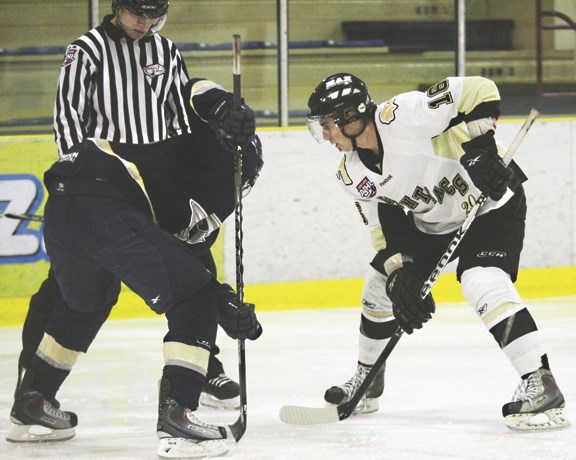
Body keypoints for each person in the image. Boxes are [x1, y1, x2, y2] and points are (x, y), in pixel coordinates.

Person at [7, 75, 263, 459]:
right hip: (107, 199)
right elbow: (196, 88)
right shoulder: (210, 169)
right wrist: (227, 106)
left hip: (66, 195)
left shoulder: (184, 154)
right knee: (194, 301)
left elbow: (180, 256)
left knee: (84, 303)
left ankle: (33, 404)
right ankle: (179, 419)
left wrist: (222, 298)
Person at [305, 73, 570, 431]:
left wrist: (481, 151)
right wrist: (401, 274)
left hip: (490, 205)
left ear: (352, 119)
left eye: (328, 125)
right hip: (432, 224)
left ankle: (540, 381)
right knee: (378, 285)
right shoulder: (351, 175)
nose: (325, 136)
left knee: (481, 281)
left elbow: (478, 90)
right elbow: (383, 232)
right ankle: (367, 381)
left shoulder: (400, 116)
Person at [17, 0, 240, 414]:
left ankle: (205, 367)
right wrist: (83, 179)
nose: (145, 23)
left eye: (153, 14)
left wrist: (219, 119)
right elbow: (67, 119)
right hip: (105, 184)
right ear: (117, 9)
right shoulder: (85, 49)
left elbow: (182, 113)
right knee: (70, 290)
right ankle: (30, 384)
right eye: (137, 13)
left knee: (194, 266)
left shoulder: (166, 50)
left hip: (160, 181)